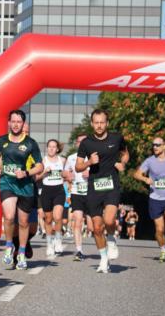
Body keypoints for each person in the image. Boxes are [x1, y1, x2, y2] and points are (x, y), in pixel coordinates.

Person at [75, 109, 129, 274]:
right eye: (96, 122)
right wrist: (89, 162)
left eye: (102, 122)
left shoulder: (116, 138)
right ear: (92, 123)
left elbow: (125, 154)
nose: (99, 126)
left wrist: (122, 163)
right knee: (97, 228)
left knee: (110, 219)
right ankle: (104, 259)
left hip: (111, 185)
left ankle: (111, 239)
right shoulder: (86, 143)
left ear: (107, 123)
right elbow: (78, 167)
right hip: (94, 187)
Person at [0, 110, 43, 271]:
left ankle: (21, 252)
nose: (15, 124)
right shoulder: (2, 140)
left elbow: (40, 166)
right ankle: (9, 246)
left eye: (19, 122)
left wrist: (26, 173)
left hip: (25, 186)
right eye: (13, 121)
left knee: (23, 222)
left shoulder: (30, 143)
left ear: (23, 124)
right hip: (7, 182)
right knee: (8, 216)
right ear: (9, 122)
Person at [38, 139, 66, 258]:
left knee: (58, 216)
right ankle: (49, 244)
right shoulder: (43, 161)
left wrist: (66, 175)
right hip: (46, 191)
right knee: (48, 219)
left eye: (54, 147)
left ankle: (58, 239)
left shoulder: (63, 160)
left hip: (59, 190)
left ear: (57, 149)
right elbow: (37, 177)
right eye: (49, 146)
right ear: (47, 148)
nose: (51, 149)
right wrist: (44, 171)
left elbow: (67, 173)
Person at [63, 133, 90, 261]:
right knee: (77, 221)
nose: (82, 143)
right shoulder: (71, 158)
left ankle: (105, 245)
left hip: (92, 193)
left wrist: (90, 173)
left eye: (84, 141)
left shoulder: (94, 157)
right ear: (77, 144)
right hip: (76, 192)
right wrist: (68, 175)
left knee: (92, 226)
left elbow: (104, 173)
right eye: (79, 141)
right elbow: (64, 171)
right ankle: (79, 250)